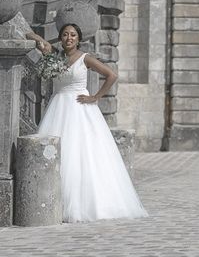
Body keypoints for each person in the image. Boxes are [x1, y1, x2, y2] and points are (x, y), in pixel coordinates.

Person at [37, 23, 148, 223]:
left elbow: (111, 75)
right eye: (64, 35)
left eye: (72, 35)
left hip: (79, 107)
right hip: (58, 106)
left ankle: (87, 204)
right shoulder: (55, 56)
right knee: (63, 152)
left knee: (82, 152)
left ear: (78, 39)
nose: (68, 38)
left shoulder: (85, 58)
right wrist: (37, 40)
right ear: (60, 38)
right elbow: (33, 36)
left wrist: (95, 96)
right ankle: (55, 202)